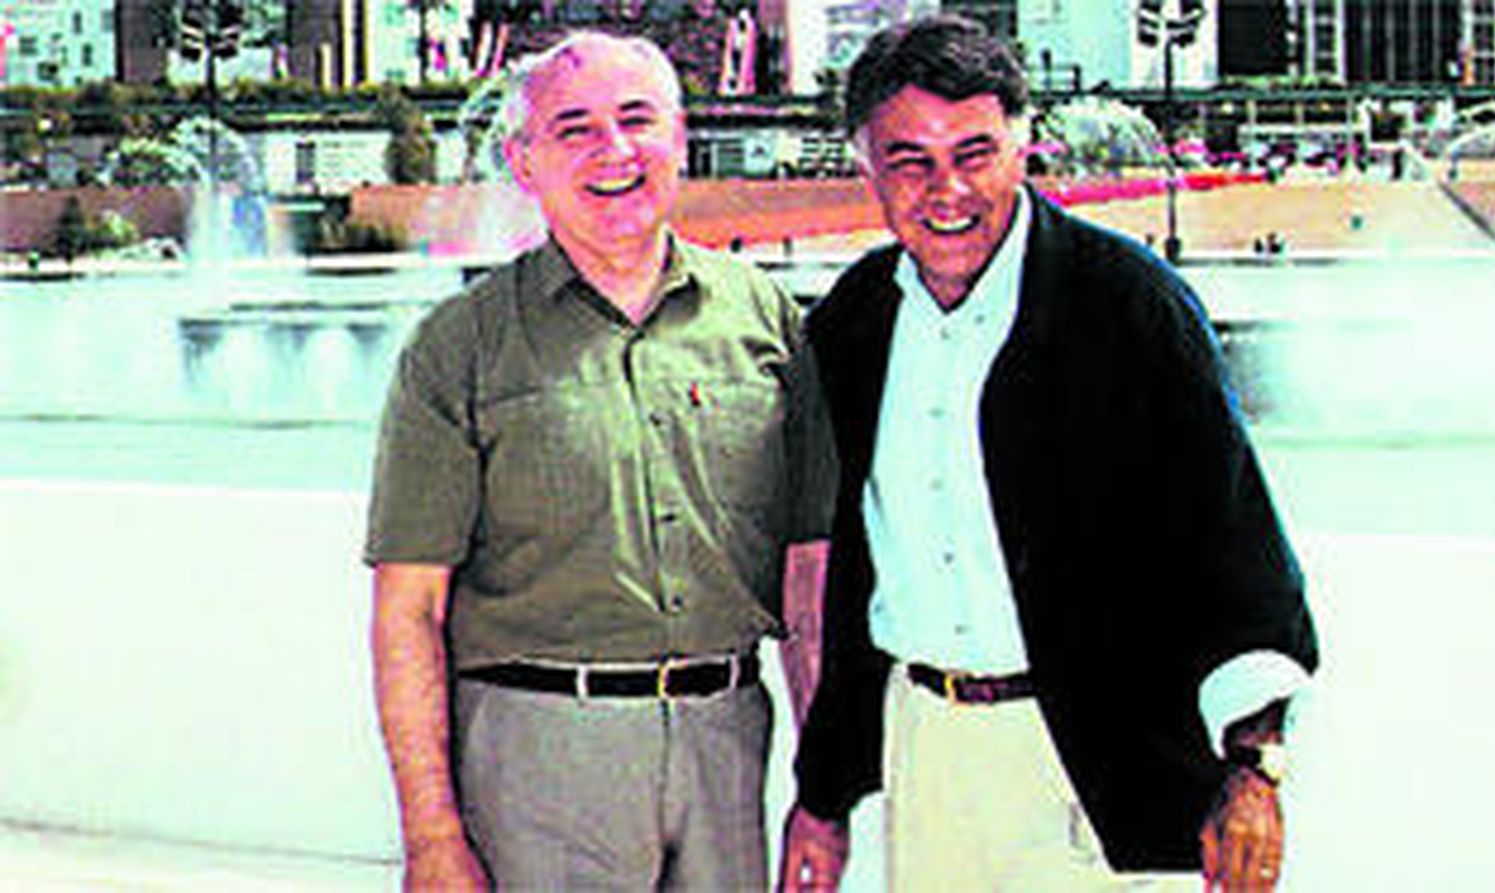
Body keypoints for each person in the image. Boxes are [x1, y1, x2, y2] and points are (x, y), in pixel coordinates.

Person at [779, 15, 1318, 892]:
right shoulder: (854, 323)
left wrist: (1256, 768)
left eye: (976, 152)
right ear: (865, 164)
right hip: (928, 754)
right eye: (910, 160)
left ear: (1023, 146)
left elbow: (1236, 549)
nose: (948, 190)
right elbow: (852, 583)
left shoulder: (1131, 307)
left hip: (1099, 764)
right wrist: (823, 794)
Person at [363, 31, 835, 891]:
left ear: (680, 139)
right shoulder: (459, 348)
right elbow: (409, 611)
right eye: (574, 128)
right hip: (537, 751)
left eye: (637, 119)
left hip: (727, 744)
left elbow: (811, 580)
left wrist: (822, 793)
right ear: (524, 162)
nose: (613, 150)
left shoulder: (766, 320)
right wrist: (431, 833)